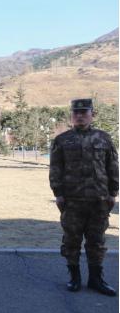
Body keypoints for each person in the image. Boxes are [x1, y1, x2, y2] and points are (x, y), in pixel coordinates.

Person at [49, 98, 118, 296]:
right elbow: (55, 169)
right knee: (71, 241)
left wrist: (113, 192)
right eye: (76, 113)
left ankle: (96, 279)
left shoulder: (104, 138)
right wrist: (58, 194)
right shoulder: (62, 140)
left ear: (92, 114)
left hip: (99, 200)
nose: (80, 116)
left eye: (84, 112)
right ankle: (74, 278)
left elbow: (112, 167)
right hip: (72, 201)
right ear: (72, 115)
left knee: (97, 241)